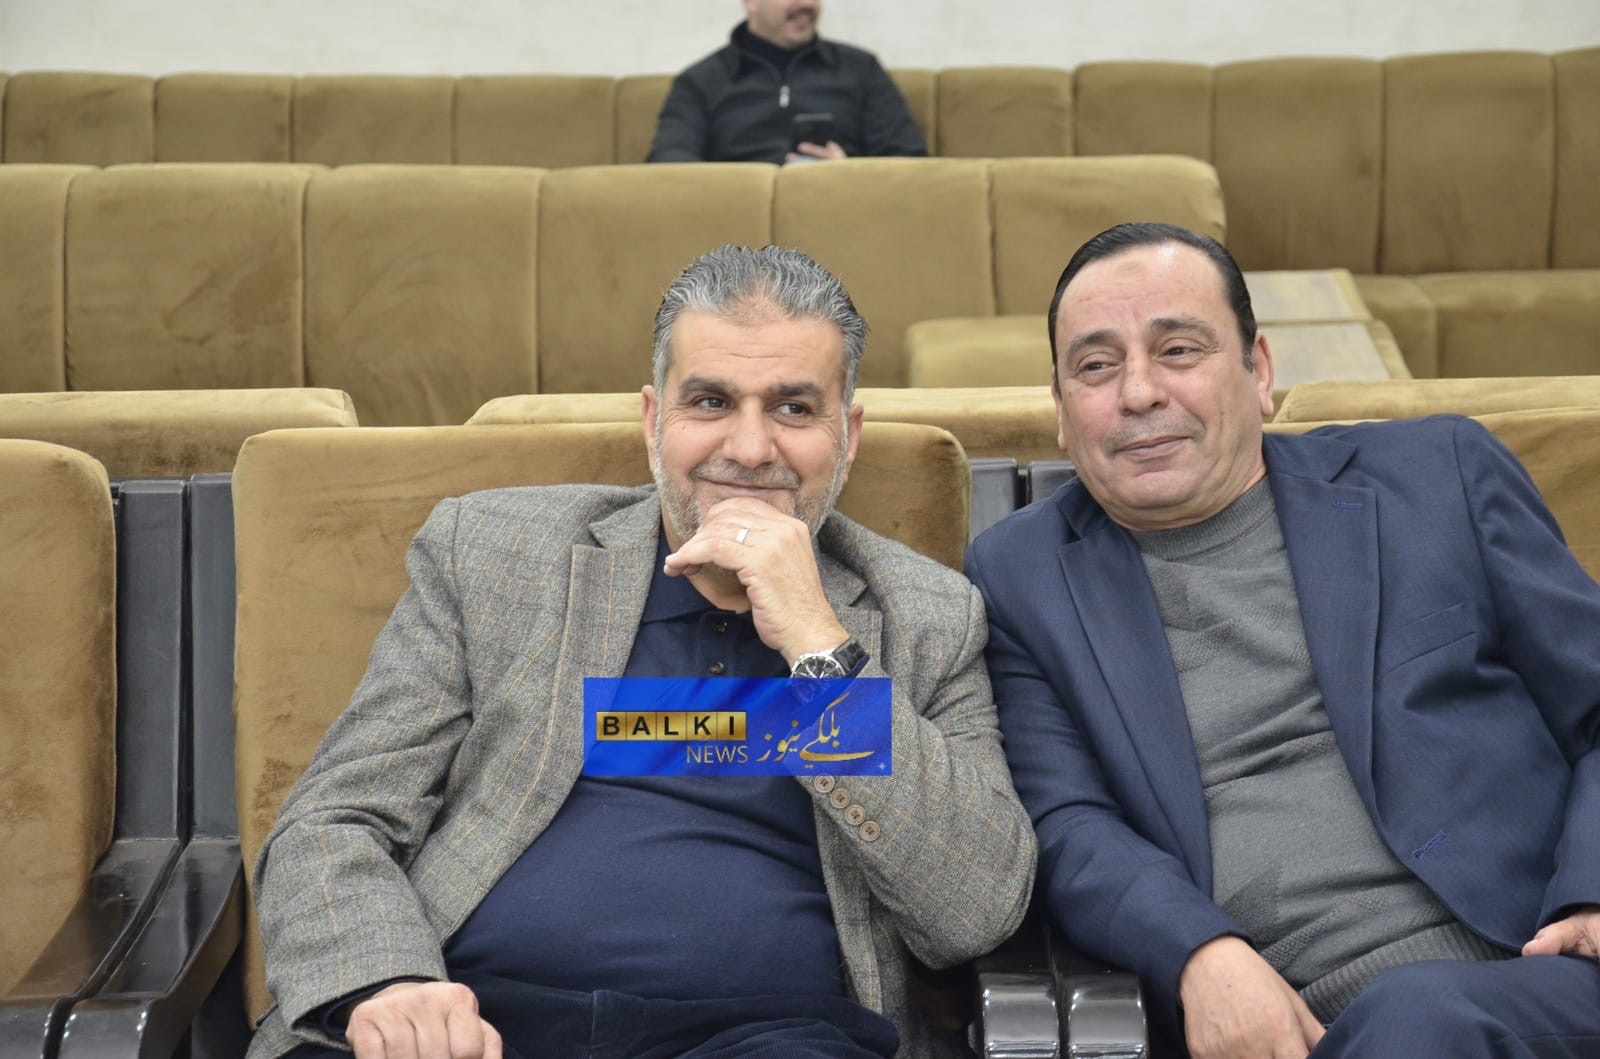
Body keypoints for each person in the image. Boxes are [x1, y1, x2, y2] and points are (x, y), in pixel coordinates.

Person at [247, 244, 1035, 1059]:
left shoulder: (927, 615)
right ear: (656, 420)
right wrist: (389, 984)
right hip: (472, 1021)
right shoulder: (490, 553)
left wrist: (818, 644)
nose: (751, 448)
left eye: (795, 408)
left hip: (768, 1036)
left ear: (849, 434)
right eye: (711, 401)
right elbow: (334, 818)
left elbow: (976, 908)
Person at [964, 222, 1600, 1058]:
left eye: (1179, 350)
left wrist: (1593, 886)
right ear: (1059, 409)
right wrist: (1199, 951)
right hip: (1302, 1027)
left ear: (1259, 371)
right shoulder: (1021, 575)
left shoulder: (1436, 474)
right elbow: (1066, 823)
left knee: (1419, 1014)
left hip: (1545, 969)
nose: (1139, 391)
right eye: (1095, 366)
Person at [647, 0, 926, 164]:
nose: (806, 4)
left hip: (843, 214)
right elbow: (669, 161)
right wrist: (738, 187)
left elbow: (908, 158)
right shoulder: (700, 81)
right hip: (736, 224)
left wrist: (848, 174)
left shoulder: (860, 68)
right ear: (751, 2)